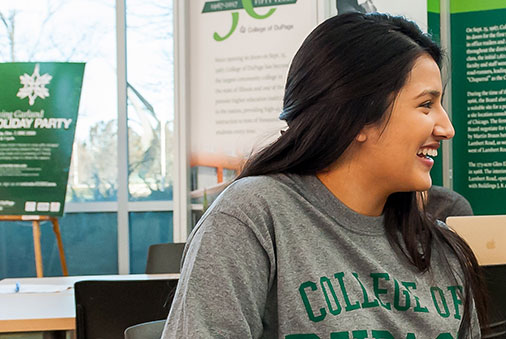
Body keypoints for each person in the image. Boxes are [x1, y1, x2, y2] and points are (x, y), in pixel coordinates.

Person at [163, 13, 486, 338]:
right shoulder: (252, 217)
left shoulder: (442, 250)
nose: (447, 128)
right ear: (359, 115)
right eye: (426, 105)